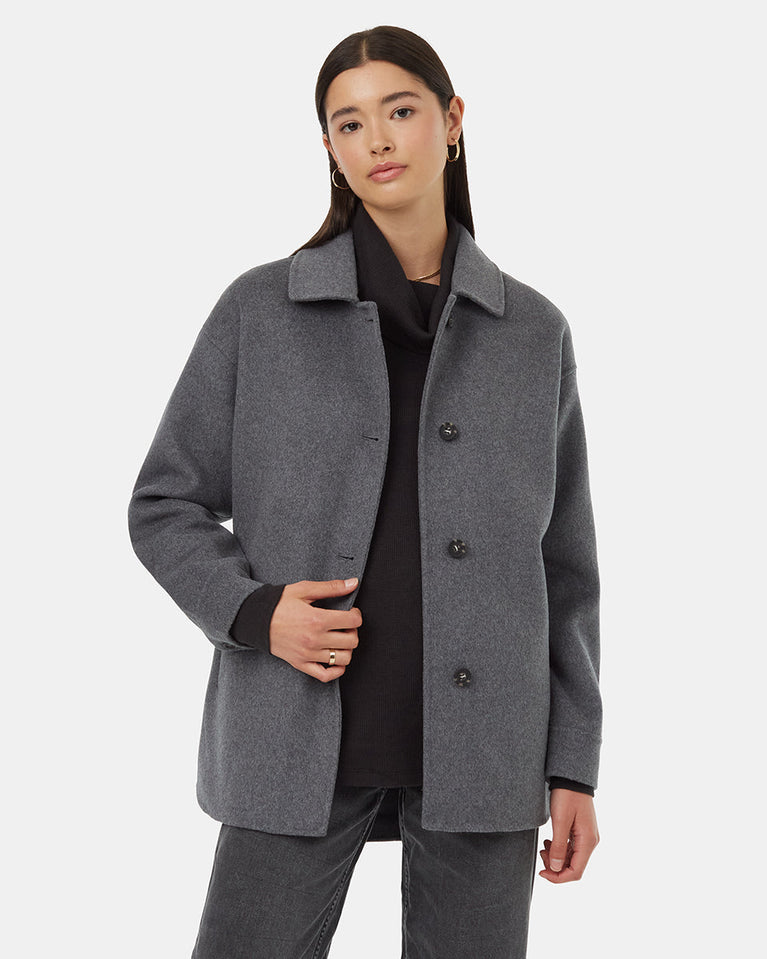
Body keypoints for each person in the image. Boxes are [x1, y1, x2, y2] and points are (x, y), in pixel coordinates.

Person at [128, 24, 603, 959]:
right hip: (291, 728)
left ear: (452, 121)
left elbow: (564, 566)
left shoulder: (531, 332)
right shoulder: (261, 310)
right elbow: (163, 503)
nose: (376, 139)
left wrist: (572, 763)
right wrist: (257, 612)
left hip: (487, 747)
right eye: (348, 124)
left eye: (400, 110)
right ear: (330, 150)